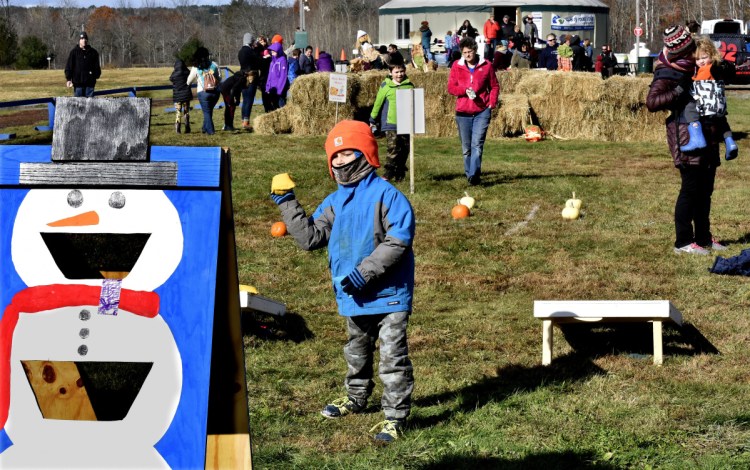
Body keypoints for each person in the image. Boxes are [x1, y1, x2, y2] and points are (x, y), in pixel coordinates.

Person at [269, 120, 415, 444]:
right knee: (357, 350)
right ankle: (356, 397)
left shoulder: (387, 196)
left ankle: (394, 418)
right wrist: (287, 202)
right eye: (334, 155)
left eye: (347, 152)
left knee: (392, 356)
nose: (340, 161)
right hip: (354, 295)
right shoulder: (335, 201)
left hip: (389, 294)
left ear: (366, 153)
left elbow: (398, 240)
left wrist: (365, 272)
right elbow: (310, 237)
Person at [646, 25, 727, 255]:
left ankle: (703, 238)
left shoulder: (697, 65)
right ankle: (683, 241)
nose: (693, 49)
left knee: (705, 191)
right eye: (689, 47)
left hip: (709, 135)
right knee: (690, 190)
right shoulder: (668, 71)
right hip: (686, 136)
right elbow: (652, 102)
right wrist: (680, 90)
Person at [447, 37, 500, 186]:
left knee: (477, 145)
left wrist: (492, 103)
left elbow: (494, 86)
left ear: (475, 50)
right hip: (463, 112)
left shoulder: (487, 65)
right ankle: (469, 173)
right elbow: (451, 88)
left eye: (470, 52)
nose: (468, 55)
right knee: (466, 147)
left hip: (482, 111)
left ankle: (474, 175)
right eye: (465, 53)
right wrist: (464, 90)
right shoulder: (456, 66)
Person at [686, 35, 738, 160]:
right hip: (719, 105)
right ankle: (730, 141)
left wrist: (690, 79)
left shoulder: (706, 69)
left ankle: (696, 137)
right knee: (722, 122)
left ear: (712, 55)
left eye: (704, 57)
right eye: (698, 59)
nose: (701, 61)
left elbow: (697, 81)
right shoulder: (717, 68)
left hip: (706, 104)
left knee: (690, 110)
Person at [369, 62, 414, 182]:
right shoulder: (386, 86)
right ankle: (389, 171)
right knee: (393, 147)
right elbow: (378, 103)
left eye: (402, 71)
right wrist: (372, 119)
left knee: (405, 148)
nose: (399, 74)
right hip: (390, 123)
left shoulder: (409, 86)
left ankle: (400, 171)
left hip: (405, 122)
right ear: (390, 73)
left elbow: (414, 103)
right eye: (396, 72)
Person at [186, 47, 221, 135]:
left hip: (203, 92)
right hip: (215, 92)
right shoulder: (214, 64)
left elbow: (189, 81)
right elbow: (220, 78)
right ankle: (204, 128)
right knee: (209, 111)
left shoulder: (196, 67)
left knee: (207, 111)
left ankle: (210, 131)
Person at [64, 32, 101, 98]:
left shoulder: (93, 53)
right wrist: (68, 79)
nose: (84, 40)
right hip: (78, 84)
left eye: (85, 39)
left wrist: (95, 75)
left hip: (90, 84)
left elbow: (97, 67)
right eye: (82, 39)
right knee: (78, 105)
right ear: (79, 40)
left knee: (89, 105)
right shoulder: (74, 52)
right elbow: (69, 66)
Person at [238, 32, 262, 130]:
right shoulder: (250, 51)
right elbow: (258, 62)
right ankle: (246, 122)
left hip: (243, 76)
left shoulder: (240, 51)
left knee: (244, 100)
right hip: (251, 76)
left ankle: (243, 120)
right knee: (249, 100)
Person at [169, 58, 192, 134]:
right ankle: (187, 126)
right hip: (186, 96)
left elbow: (171, 79)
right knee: (186, 111)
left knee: (178, 112)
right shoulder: (187, 72)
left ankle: (178, 128)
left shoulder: (174, 74)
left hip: (177, 97)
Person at [265, 42, 288, 110]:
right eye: (271, 51)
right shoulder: (272, 61)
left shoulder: (282, 60)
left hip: (279, 89)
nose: (272, 52)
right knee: (274, 107)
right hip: (272, 88)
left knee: (281, 107)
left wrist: (279, 90)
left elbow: (283, 76)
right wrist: (268, 86)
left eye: (273, 51)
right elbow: (270, 75)